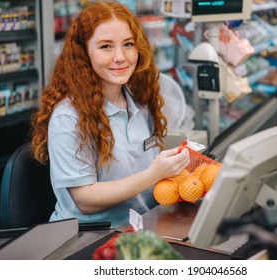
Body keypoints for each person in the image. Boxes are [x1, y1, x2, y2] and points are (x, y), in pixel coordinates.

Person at [30, 1, 190, 227]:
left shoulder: (140, 102)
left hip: (140, 225)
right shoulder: (69, 117)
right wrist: (155, 173)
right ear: (83, 53)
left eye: (128, 44)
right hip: (88, 237)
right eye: (106, 46)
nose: (120, 57)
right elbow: (85, 199)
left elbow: (145, 174)